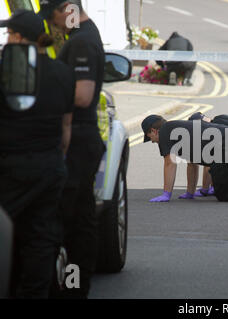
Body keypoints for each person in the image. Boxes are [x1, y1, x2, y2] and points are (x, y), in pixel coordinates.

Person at [0, 10, 75, 298]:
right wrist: (56, 162)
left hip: (10, 166)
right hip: (49, 165)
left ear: (19, 38)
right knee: (41, 238)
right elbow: (66, 129)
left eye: (8, 35)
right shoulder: (63, 73)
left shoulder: (6, 71)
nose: (7, 40)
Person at [39, 0, 106, 298]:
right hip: (82, 138)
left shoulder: (81, 42)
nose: (54, 24)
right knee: (81, 219)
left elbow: (81, 95)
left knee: (71, 222)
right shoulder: (84, 37)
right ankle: (75, 288)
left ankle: (72, 287)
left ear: (68, 9)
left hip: (77, 139)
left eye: (54, 17)